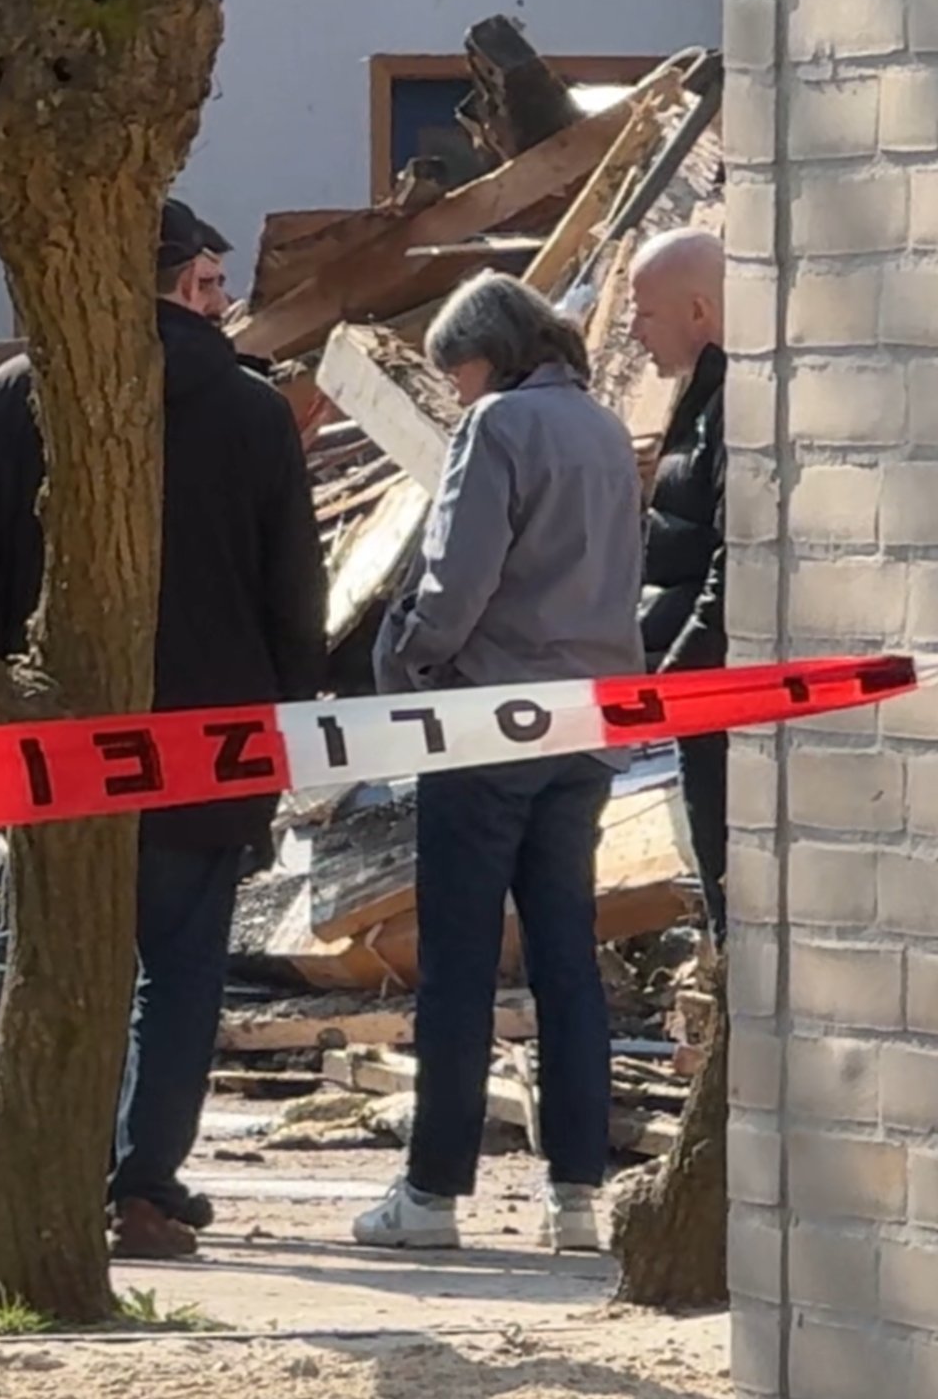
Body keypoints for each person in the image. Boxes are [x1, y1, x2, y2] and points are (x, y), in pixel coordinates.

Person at [0, 197, 326, 1263]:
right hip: (208, 744)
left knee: (34, 955)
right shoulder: (250, 411)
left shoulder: (17, 396)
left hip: (50, 742)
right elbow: (296, 593)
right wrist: (282, 732)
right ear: (185, 276)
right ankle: (144, 1187)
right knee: (181, 970)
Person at [351, 273, 641, 1256]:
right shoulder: (603, 429)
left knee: (461, 965)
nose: (457, 395)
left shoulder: (500, 428)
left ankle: (432, 1193)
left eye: (458, 374)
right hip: (586, 724)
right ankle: (577, 1196)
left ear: (489, 354)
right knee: (567, 960)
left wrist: (407, 662)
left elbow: (456, 578)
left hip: (486, 722)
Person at [627, 228, 729, 930]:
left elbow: (735, 556)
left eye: (646, 314)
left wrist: (680, 667)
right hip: (702, 693)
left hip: (722, 697)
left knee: (730, 876)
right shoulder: (702, 392)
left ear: (699, 311)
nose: (631, 332)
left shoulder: (734, 401)